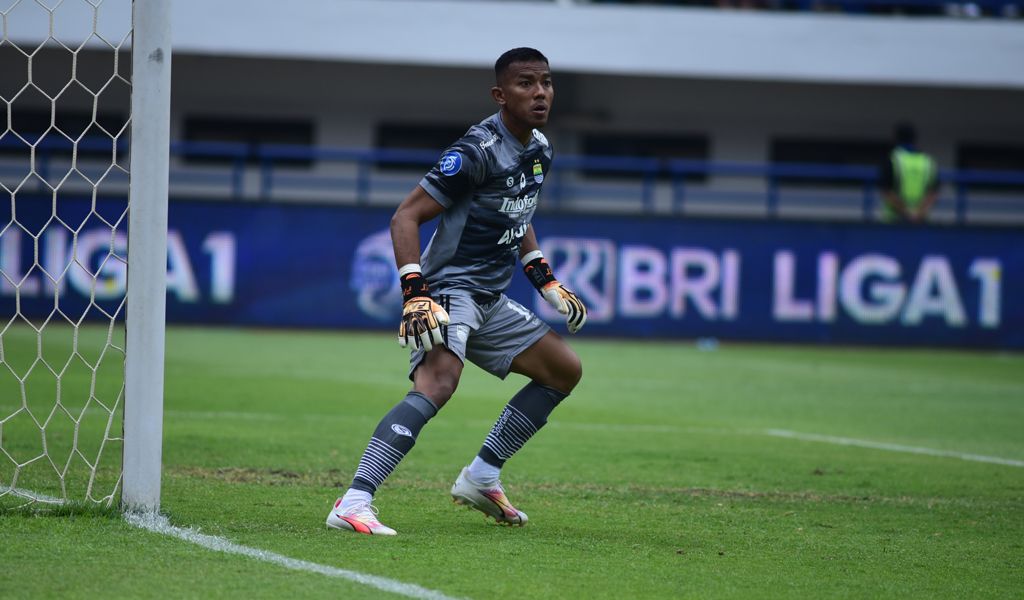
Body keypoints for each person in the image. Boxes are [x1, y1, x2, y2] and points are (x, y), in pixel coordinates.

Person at [326, 47, 587, 536]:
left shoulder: (540, 149)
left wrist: (543, 278)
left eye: (546, 83)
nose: (540, 93)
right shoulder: (475, 151)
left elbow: (519, 212)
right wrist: (414, 292)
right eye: (526, 83)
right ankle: (354, 500)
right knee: (439, 382)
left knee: (563, 370)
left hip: (489, 297)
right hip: (448, 289)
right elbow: (405, 216)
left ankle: (481, 476)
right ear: (500, 95)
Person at [879, 122, 940, 224]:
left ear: (896, 138)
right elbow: (933, 192)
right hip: (921, 220)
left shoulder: (893, 159)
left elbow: (886, 191)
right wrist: (918, 213)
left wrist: (907, 213)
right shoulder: (927, 161)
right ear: (915, 139)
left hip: (894, 221)